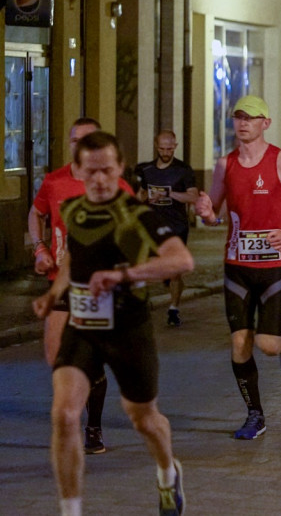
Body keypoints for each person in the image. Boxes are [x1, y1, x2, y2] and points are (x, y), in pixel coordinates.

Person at [32, 131, 192, 516]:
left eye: (107, 170)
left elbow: (181, 261)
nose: (100, 180)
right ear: (80, 170)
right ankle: (71, 510)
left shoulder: (139, 215)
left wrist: (122, 275)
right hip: (83, 323)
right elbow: (74, 257)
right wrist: (53, 296)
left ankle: (168, 472)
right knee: (65, 414)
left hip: (128, 329)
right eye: (92, 172)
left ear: (120, 167)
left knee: (143, 419)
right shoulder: (72, 208)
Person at [194, 95, 281, 440]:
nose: (243, 123)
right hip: (236, 265)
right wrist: (207, 212)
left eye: (250, 118)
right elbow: (215, 213)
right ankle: (255, 414)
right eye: (238, 117)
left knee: (268, 345)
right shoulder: (225, 165)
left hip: (272, 267)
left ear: (265, 123)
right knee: (239, 344)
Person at [28, 117, 135, 456]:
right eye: (75, 140)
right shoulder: (54, 181)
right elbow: (36, 213)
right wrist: (40, 248)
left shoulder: (116, 185)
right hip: (60, 282)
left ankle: (92, 426)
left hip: (97, 288)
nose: (81, 146)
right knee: (55, 355)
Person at [134, 130, 198, 327]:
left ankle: (173, 309)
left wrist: (171, 194)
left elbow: (193, 197)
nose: (166, 152)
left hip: (176, 226)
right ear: (156, 146)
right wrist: (147, 198)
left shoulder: (183, 170)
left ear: (175, 146)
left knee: (174, 272)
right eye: (162, 148)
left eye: (169, 149)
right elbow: (138, 196)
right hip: (152, 225)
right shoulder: (145, 170)